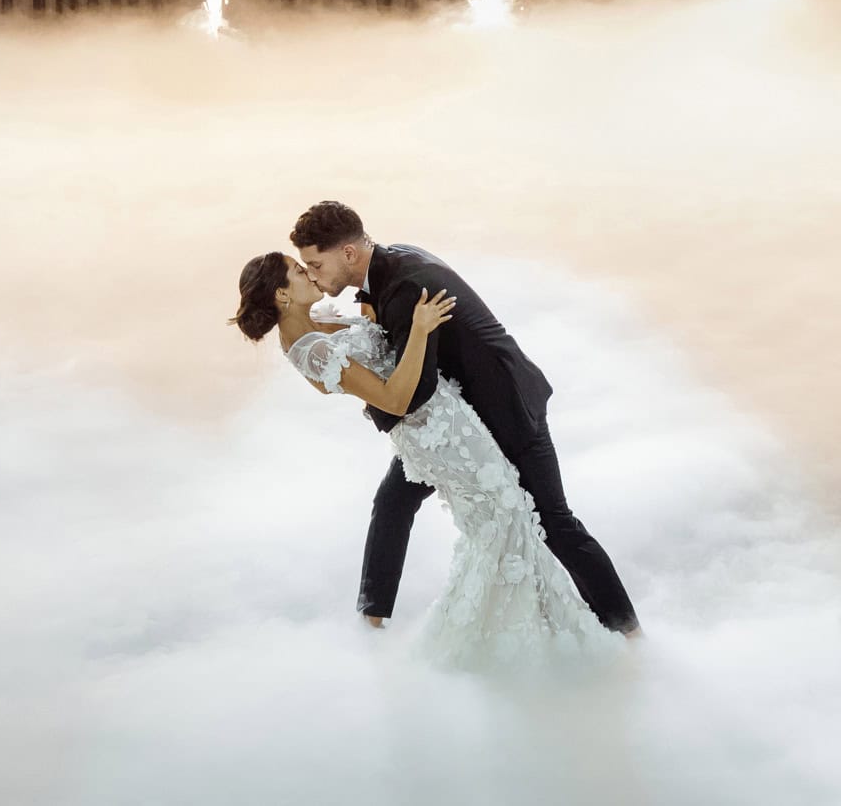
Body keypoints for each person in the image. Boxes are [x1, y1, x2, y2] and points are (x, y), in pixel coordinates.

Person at [230, 250, 622, 667]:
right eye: (297, 270)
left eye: (308, 263)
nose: (307, 272)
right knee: (504, 521)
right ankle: (504, 645)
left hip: (450, 420)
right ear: (282, 296)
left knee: (506, 520)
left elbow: (371, 341)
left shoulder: (313, 321)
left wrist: (377, 306)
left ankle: (526, 629)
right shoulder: (311, 351)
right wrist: (419, 330)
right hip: (437, 435)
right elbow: (395, 399)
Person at [289, 201, 641, 637]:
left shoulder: (405, 287)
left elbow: (413, 393)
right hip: (454, 424)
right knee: (393, 501)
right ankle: (371, 618)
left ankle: (629, 632)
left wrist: (365, 396)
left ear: (347, 254)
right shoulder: (389, 265)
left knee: (554, 523)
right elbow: (392, 345)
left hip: (506, 413)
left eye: (315, 263)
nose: (313, 275)